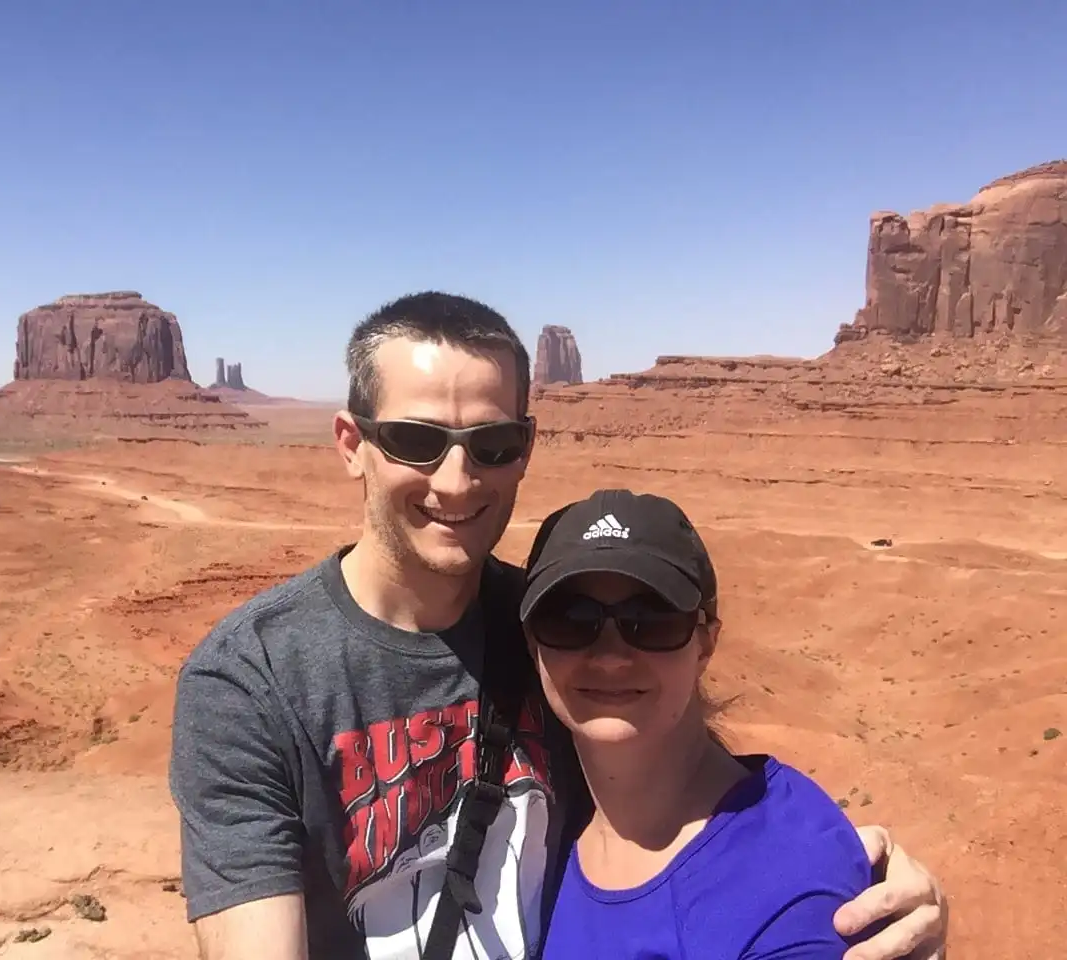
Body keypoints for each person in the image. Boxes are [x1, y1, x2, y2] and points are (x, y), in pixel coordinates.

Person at [169, 291, 948, 960]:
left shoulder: (551, 624)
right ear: (352, 444)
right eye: (414, 440)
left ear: (526, 448)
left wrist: (846, 873)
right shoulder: (251, 681)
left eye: (492, 444)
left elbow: (690, 790)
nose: (456, 480)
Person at [521, 487, 896, 958]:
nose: (611, 657)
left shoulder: (789, 883)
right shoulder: (534, 827)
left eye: (650, 620)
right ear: (532, 643)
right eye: (570, 620)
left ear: (705, 643)